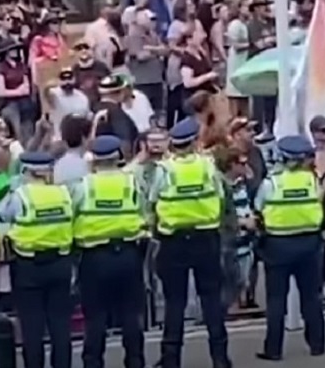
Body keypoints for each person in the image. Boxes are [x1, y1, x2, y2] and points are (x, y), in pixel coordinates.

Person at [148, 117, 231, 368]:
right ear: (195, 141)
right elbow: (221, 196)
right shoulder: (207, 166)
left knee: (175, 302)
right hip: (206, 238)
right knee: (211, 299)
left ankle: (171, 359)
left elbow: (152, 203)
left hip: (173, 241)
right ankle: (220, 358)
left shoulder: (164, 170)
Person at [72, 135, 147, 368]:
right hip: (127, 254)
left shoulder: (83, 186)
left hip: (95, 258)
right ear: (119, 158)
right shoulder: (132, 183)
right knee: (130, 315)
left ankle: (93, 363)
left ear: (93, 159)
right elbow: (143, 214)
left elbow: (72, 216)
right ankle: (135, 361)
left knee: (96, 318)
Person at [0, 151, 75, 368]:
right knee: (60, 326)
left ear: (25, 171)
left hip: (29, 267)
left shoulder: (19, 196)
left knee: (32, 328)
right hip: (60, 264)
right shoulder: (63, 193)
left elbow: (2, 214)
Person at [254, 135, 325, 361]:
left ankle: (273, 349)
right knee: (312, 297)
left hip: (278, 245)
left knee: (277, 300)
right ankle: (317, 344)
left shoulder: (271, 183)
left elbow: (258, 208)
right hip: (309, 244)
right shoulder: (311, 180)